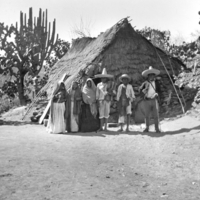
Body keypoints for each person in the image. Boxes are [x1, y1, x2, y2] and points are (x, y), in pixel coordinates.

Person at [140, 66, 161, 133]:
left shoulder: (157, 83)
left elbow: (159, 91)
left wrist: (157, 94)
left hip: (154, 100)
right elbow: (140, 90)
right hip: (147, 100)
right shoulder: (145, 83)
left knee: (156, 115)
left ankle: (157, 128)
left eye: (153, 75)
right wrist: (143, 93)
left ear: (154, 76)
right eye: (150, 75)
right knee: (147, 115)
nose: (152, 76)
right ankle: (147, 128)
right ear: (148, 76)